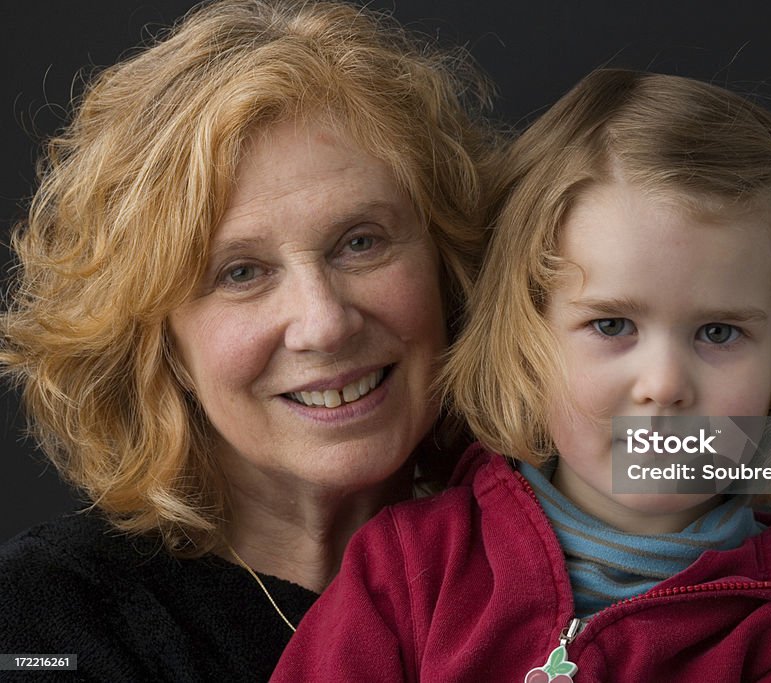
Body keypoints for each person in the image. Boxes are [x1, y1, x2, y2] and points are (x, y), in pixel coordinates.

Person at [272, 69, 771, 681]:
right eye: (612, 326)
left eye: (719, 332)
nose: (663, 385)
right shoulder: (409, 571)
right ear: (527, 338)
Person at [0, 0, 495, 680]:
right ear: (158, 339)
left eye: (360, 242)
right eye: (241, 273)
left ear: (446, 262)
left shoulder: (560, 558)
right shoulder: (47, 615)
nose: (324, 321)